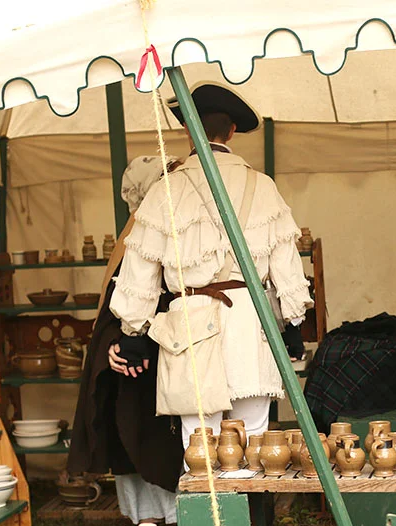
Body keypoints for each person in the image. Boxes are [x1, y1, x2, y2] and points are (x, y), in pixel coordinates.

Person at [109, 81, 312, 458]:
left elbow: (139, 267)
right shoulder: (263, 186)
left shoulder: (166, 189)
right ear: (232, 131)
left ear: (188, 130)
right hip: (251, 323)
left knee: (198, 445)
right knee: (254, 445)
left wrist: (133, 333)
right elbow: (287, 268)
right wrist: (293, 326)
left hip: (189, 325)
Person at [67, 155, 183, 526]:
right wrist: (117, 345)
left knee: (175, 443)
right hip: (142, 361)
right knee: (141, 437)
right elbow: (114, 309)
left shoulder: (187, 229)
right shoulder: (136, 237)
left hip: (176, 354)